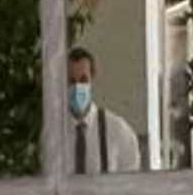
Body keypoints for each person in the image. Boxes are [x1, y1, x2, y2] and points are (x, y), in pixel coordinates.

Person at [62, 46, 146, 174]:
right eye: (72, 81)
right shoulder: (52, 134)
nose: (78, 87)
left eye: (83, 80)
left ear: (92, 78)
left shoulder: (118, 131)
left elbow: (130, 185)